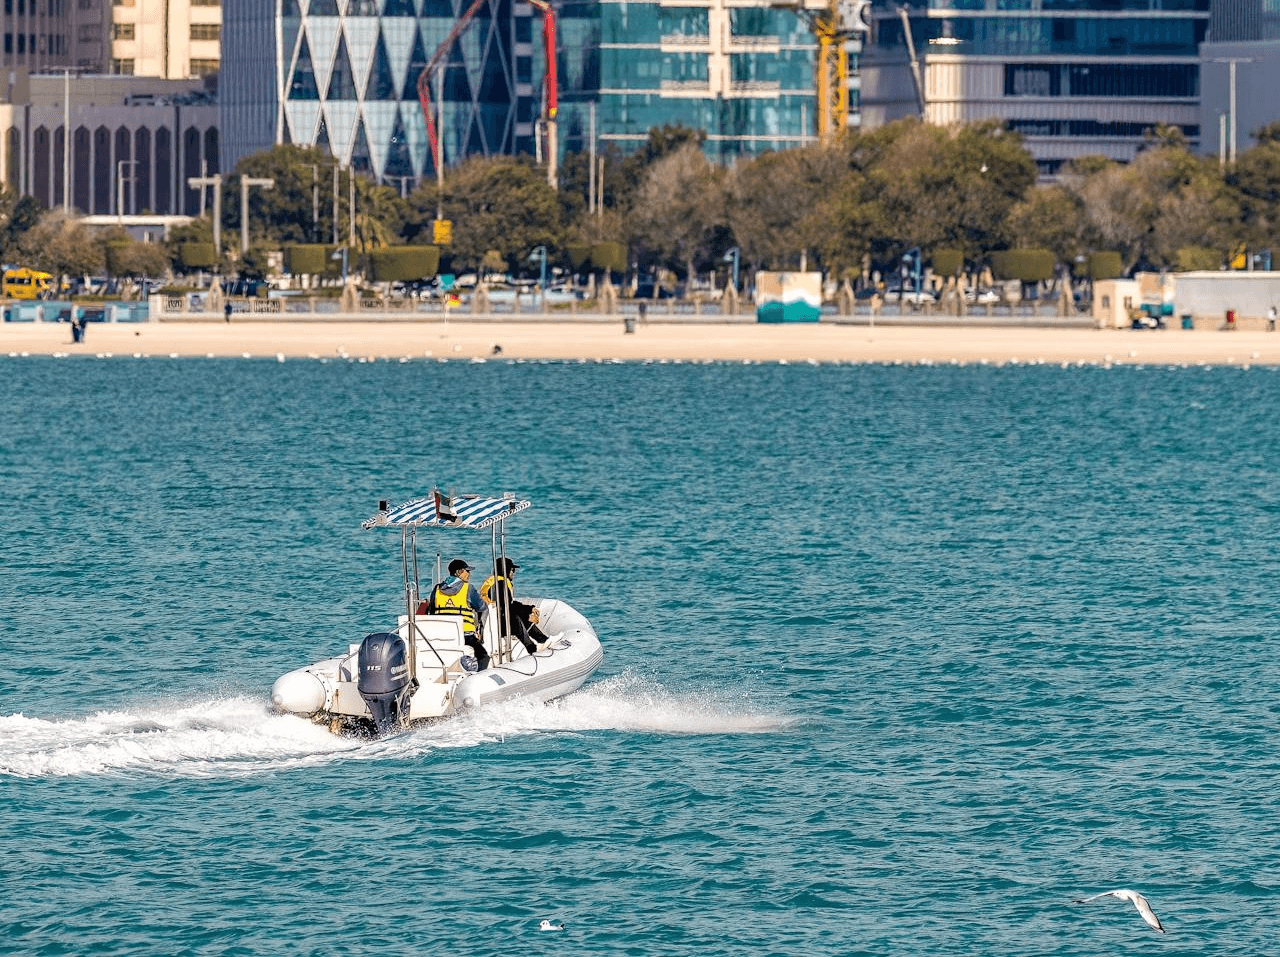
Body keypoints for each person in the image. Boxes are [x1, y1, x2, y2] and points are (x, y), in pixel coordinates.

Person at [421, 558, 489, 671]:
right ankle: (478, 677)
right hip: (465, 636)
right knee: (484, 656)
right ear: (459, 572)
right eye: (467, 571)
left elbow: (431, 612)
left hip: (441, 634)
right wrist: (480, 630)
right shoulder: (468, 588)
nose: (469, 574)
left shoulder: (437, 589)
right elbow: (482, 608)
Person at [481, 558, 547, 655]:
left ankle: (542, 640)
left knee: (520, 615)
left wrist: (529, 609)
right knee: (517, 618)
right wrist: (527, 615)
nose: (513, 573)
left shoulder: (494, 583)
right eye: (512, 570)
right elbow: (508, 608)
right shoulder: (500, 585)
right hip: (498, 625)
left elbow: (509, 604)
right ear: (506, 570)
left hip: (490, 622)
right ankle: (533, 646)